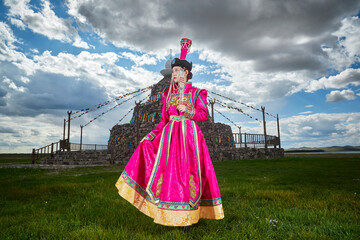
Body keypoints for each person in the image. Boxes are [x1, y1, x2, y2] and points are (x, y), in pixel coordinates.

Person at [115, 42, 224, 227]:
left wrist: (188, 111)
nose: (174, 74)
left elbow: (203, 115)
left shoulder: (198, 93)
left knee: (189, 174)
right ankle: (172, 212)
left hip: (190, 138)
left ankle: (190, 215)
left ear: (185, 73)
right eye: (172, 71)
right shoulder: (167, 95)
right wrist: (149, 137)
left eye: (177, 71)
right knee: (171, 175)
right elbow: (163, 121)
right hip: (169, 139)